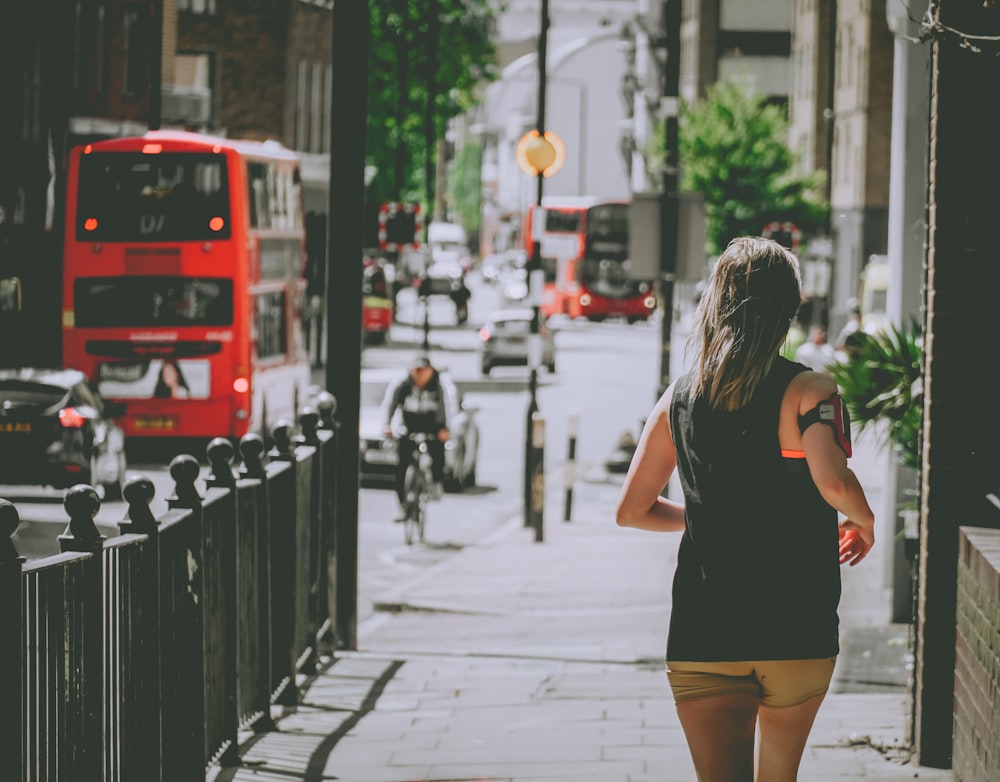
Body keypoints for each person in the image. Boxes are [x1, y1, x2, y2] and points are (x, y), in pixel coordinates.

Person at [615, 236, 875, 782]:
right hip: (796, 628)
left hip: (703, 630)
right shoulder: (809, 390)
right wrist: (863, 518)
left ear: (716, 301)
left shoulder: (677, 399)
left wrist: (713, 513)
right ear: (788, 307)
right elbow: (831, 482)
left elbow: (633, 510)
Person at [384, 356, 450, 515]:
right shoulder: (403, 386)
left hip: (431, 426)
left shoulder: (436, 386)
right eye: (416, 370)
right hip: (409, 426)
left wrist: (443, 429)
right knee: (402, 463)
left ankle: (436, 483)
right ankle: (402, 503)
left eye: (423, 371)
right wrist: (388, 425)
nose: (419, 374)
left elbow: (442, 409)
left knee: (437, 451)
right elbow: (391, 405)